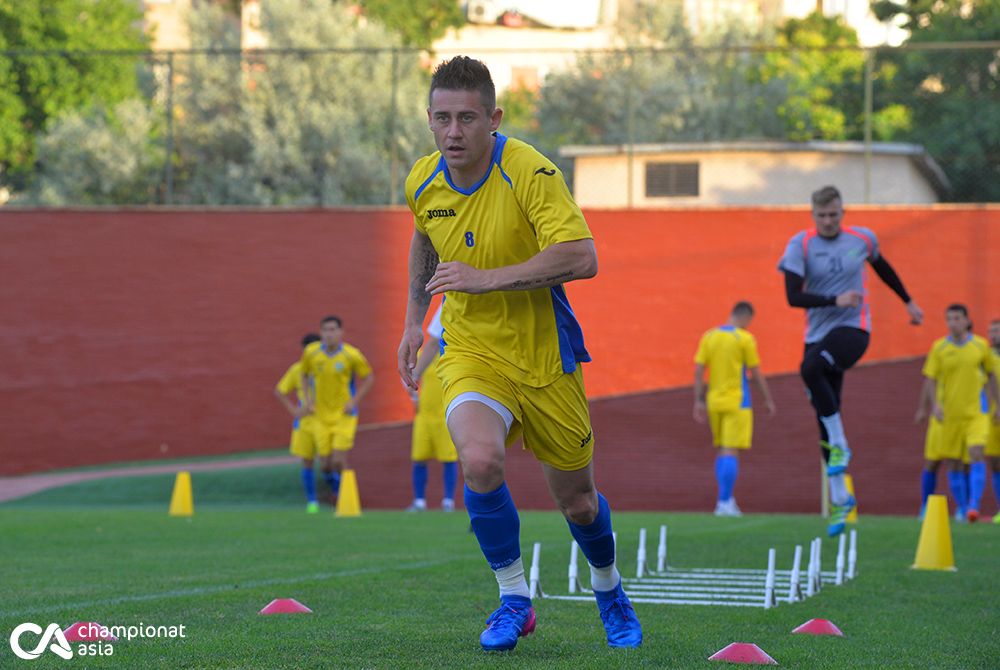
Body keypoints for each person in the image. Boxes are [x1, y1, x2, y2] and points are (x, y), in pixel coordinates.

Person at [396, 56, 641, 652]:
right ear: (429, 120)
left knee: (578, 502)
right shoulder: (422, 181)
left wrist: (487, 278)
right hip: (472, 351)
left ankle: (608, 589)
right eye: (442, 119)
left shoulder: (530, 171)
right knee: (478, 462)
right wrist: (412, 322)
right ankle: (514, 598)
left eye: (468, 119)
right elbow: (426, 237)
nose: (454, 132)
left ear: (494, 118)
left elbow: (583, 256)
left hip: (545, 359)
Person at [778, 185, 923, 537]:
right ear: (813, 215)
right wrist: (834, 298)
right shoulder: (802, 245)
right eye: (822, 216)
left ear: (844, 212)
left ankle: (842, 446)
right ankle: (842, 499)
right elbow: (793, 297)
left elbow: (884, 269)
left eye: (834, 214)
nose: (829, 221)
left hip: (854, 330)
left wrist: (908, 302)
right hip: (816, 335)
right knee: (824, 417)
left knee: (810, 369)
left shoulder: (863, 239)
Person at [693, 301, 776, 517]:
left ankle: (726, 500)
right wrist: (767, 399)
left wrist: (698, 400)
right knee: (731, 451)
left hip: (714, 401)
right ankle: (724, 502)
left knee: (722, 450)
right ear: (746, 318)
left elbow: (700, 369)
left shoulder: (709, 336)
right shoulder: (745, 338)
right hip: (738, 401)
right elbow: (755, 372)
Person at [917, 305, 999, 522]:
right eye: (949, 319)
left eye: (957, 318)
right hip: (949, 416)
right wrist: (933, 405)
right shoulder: (939, 348)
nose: (953, 323)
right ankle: (963, 509)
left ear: (966, 320)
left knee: (977, 452)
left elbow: (991, 375)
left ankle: (974, 505)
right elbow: (931, 378)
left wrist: (997, 405)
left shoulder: (980, 346)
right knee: (953, 462)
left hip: (976, 413)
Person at [301, 316, 374, 503]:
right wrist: (307, 400)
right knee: (325, 464)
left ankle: (345, 499)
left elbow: (368, 377)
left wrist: (354, 401)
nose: (329, 334)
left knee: (338, 461)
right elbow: (303, 374)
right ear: (321, 333)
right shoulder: (311, 353)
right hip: (320, 416)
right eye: (326, 330)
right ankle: (336, 489)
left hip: (344, 415)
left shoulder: (351, 355)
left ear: (341, 332)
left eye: (333, 330)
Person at [405, 303, 459, 512]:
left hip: (445, 416)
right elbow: (412, 382)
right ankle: (419, 500)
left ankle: (448, 501)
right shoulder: (423, 359)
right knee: (419, 457)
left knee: (449, 458)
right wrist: (413, 396)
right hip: (425, 417)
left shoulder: (451, 357)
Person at [274, 333, 323, 513]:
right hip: (305, 422)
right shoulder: (297, 370)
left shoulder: (326, 365)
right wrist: (295, 411)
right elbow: (280, 391)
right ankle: (312, 501)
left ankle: (338, 494)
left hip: (326, 418)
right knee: (307, 461)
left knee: (331, 461)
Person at [988, 318, 1000, 524]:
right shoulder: (985, 356)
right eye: (991, 331)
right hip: (992, 416)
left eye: (997, 331)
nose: (993, 335)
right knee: (996, 463)